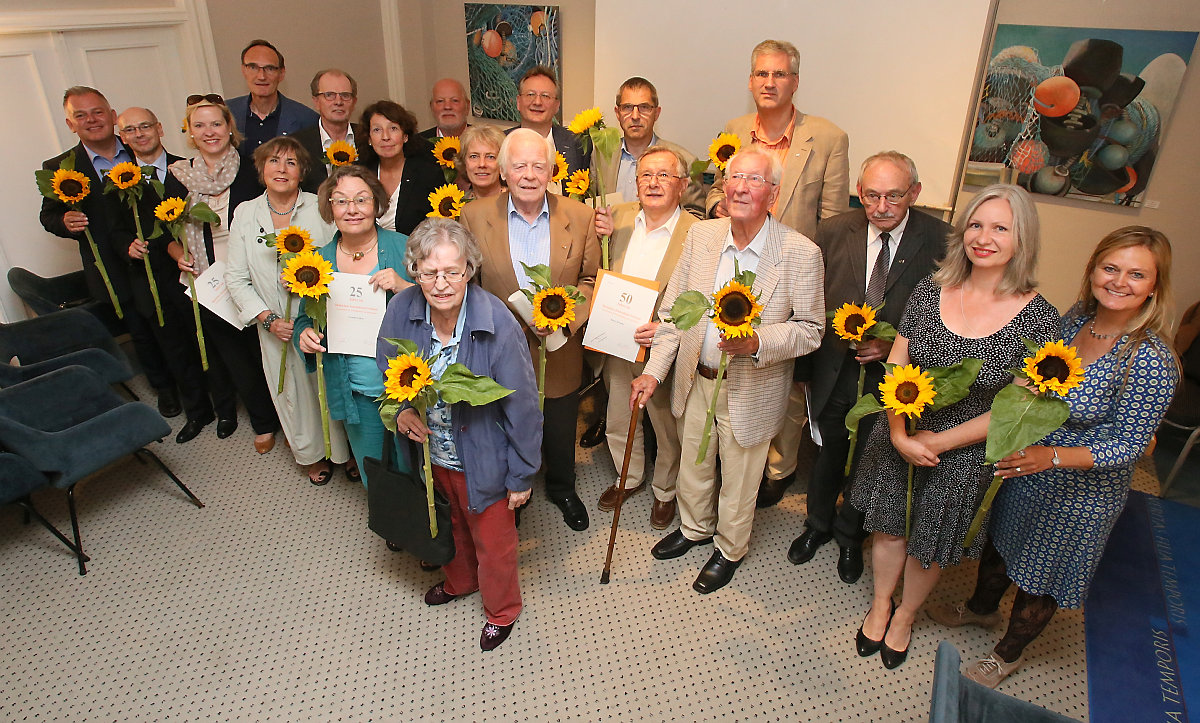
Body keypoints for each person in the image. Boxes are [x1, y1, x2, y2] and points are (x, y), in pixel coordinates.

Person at [929, 226, 1180, 688]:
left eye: (1137, 274)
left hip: (1079, 493)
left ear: (1155, 286)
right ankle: (982, 611)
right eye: (1110, 268)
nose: (1120, 282)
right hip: (1026, 469)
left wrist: (1053, 456)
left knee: (1040, 577)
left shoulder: (1149, 360)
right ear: (1093, 271)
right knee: (1001, 548)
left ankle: (1008, 654)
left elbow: (1129, 445)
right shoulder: (1076, 319)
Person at [848, 184, 1060, 669]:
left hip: (965, 449)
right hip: (901, 425)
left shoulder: (1042, 319)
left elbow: (1015, 409)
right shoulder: (930, 289)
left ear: (1021, 238)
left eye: (1000, 228)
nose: (984, 238)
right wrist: (901, 435)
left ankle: (906, 614)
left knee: (931, 540)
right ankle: (881, 603)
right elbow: (897, 364)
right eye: (976, 225)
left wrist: (937, 441)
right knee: (890, 527)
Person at [630, 146, 825, 594]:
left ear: (773, 193)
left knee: (739, 478)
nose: (739, 186)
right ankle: (694, 527)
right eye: (734, 176)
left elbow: (812, 330)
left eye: (754, 179)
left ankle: (729, 548)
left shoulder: (799, 252)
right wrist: (653, 373)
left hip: (752, 386)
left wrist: (760, 341)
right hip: (696, 376)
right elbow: (675, 314)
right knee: (693, 465)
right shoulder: (702, 237)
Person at [376, 218, 540, 652]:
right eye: (429, 272)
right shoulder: (401, 309)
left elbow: (522, 404)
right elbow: (386, 363)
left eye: (453, 271)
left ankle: (501, 610)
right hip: (432, 453)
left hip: (485, 457)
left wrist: (522, 475)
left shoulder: (497, 321)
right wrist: (403, 410)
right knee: (449, 526)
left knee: (494, 543)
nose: (442, 283)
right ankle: (460, 582)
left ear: (470, 269)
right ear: (414, 271)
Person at [786, 151, 949, 585]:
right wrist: (803, 371)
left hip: (898, 382)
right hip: (834, 369)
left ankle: (849, 535)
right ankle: (816, 525)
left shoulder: (941, 240)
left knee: (870, 458)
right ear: (859, 193)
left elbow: (947, 317)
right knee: (827, 450)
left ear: (914, 192)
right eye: (872, 195)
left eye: (894, 196)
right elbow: (809, 303)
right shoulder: (833, 231)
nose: (881, 207)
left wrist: (895, 343)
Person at [706, 40, 851, 508]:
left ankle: (780, 468)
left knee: (786, 382)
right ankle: (732, 459)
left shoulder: (828, 138)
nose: (770, 83)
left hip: (790, 274)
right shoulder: (732, 129)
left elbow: (833, 224)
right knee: (736, 372)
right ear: (750, 81)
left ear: (795, 80)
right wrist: (723, 212)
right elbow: (714, 190)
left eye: (780, 75)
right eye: (761, 74)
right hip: (737, 269)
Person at [459, 128, 600, 532]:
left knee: (559, 421)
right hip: (498, 346)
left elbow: (592, 278)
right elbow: (467, 282)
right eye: (519, 165)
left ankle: (561, 486)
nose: (529, 174)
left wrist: (565, 319)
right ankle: (514, 490)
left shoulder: (579, 215)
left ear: (552, 170)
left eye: (539, 165)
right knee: (504, 419)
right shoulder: (473, 216)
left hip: (558, 347)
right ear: (503, 171)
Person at [39, 87, 180, 419]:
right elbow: (48, 216)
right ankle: (165, 389)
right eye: (81, 115)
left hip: (156, 257)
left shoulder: (139, 149)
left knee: (172, 323)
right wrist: (63, 220)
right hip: (110, 267)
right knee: (141, 331)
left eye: (98, 112)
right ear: (70, 124)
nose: (91, 120)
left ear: (112, 116)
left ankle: (192, 383)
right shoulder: (60, 167)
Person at [226, 136, 354, 485]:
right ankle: (312, 454)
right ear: (261, 169)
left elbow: (342, 258)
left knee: (330, 385)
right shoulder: (245, 214)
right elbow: (235, 278)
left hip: (322, 317)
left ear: (303, 172)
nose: (281, 169)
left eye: (291, 163)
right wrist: (267, 319)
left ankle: (347, 452)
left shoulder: (321, 207)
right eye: (274, 162)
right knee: (293, 392)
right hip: (274, 324)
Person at [167, 95, 281, 450]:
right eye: (199, 125)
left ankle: (289, 419)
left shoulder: (253, 167)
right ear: (190, 132)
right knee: (235, 355)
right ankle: (264, 423)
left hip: (254, 271)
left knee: (267, 350)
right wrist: (176, 254)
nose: (209, 132)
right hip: (207, 278)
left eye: (216, 123)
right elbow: (167, 232)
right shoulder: (179, 175)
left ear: (230, 127)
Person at [592, 146, 697, 529]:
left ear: (683, 186)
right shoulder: (614, 218)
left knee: (665, 425)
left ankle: (665, 491)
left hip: (661, 347)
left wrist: (670, 328)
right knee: (618, 414)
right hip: (617, 340)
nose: (653, 182)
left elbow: (702, 299)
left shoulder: (697, 233)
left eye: (664, 175)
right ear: (635, 184)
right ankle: (628, 477)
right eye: (645, 175)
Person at [295, 164, 414, 487]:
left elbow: (443, 303)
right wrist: (304, 334)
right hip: (356, 388)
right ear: (329, 207)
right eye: (341, 201)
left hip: (409, 386)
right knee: (372, 465)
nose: (352, 209)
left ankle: (424, 527)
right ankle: (391, 524)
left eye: (361, 200)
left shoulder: (404, 247)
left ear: (376, 204)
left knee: (415, 464)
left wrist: (404, 286)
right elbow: (306, 318)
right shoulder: (319, 261)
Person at [118, 106, 216, 439]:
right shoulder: (117, 180)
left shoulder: (188, 169)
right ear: (123, 137)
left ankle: (227, 405)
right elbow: (112, 230)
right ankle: (197, 412)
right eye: (130, 130)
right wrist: (126, 245)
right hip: (151, 277)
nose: (139, 133)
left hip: (194, 269)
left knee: (209, 341)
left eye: (145, 126)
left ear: (160, 127)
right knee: (173, 347)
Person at [594, 77, 704, 217]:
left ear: (656, 113)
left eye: (644, 108)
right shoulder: (600, 157)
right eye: (627, 107)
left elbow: (695, 218)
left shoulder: (685, 161)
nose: (635, 116)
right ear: (617, 113)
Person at [357, 100, 443, 236]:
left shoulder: (428, 175)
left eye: (393, 129)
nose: (385, 137)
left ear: (405, 136)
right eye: (377, 130)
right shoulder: (358, 175)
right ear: (369, 138)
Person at [227, 39, 318, 162]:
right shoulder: (226, 112)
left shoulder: (307, 119)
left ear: (281, 73)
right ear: (243, 70)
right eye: (253, 67)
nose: (261, 76)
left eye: (270, 68)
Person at [505, 66, 588, 195]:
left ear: (557, 106)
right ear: (518, 102)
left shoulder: (577, 143)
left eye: (545, 96)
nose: (537, 102)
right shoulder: (500, 142)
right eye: (531, 94)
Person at [293, 69, 362, 193]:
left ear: (354, 102)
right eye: (329, 95)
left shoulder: (369, 138)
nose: (338, 102)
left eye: (345, 95)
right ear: (316, 102)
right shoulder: (296, 145)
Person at [455, 125, 505, 200]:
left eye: (490, 157)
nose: (482, 164)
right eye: (474, 156)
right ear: (464, 162)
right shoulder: (456, 205)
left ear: (503, 163)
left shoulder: (517, 203)